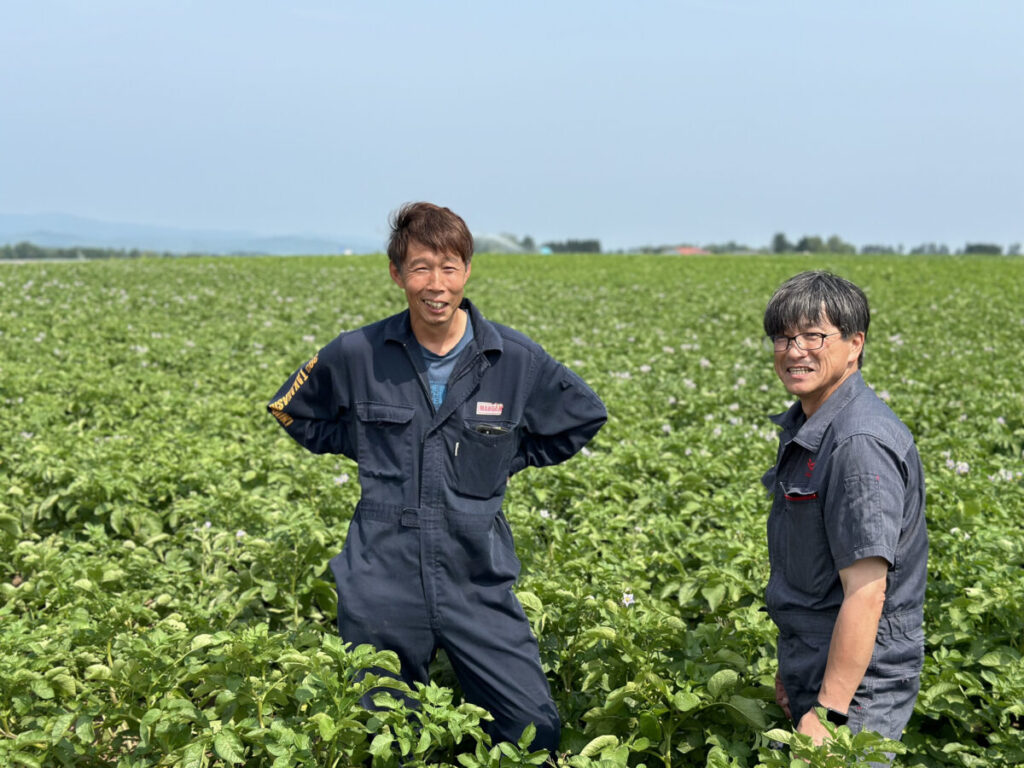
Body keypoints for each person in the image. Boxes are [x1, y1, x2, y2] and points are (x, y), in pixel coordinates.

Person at [268, 202, 607, 753]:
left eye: (449, 267)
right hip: (383, 568)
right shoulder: (358, 352)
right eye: (421, 268)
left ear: (468, 271)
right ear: (397, 274)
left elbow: (584, 417)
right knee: (384, 733)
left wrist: (502, 457)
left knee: (531, 730)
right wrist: (365, 444)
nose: (435, 283)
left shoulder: (513, 359)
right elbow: (291, 408)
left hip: (476, 570)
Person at [760, 271, 928, 753]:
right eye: (783, 337)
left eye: (814, 335)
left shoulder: (858, 444)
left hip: (859, 688)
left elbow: (867, 592)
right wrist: (795, 667)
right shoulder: (812, 425)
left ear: (855, 344)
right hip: (818, 664)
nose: (794, 351)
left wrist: (830, 709)